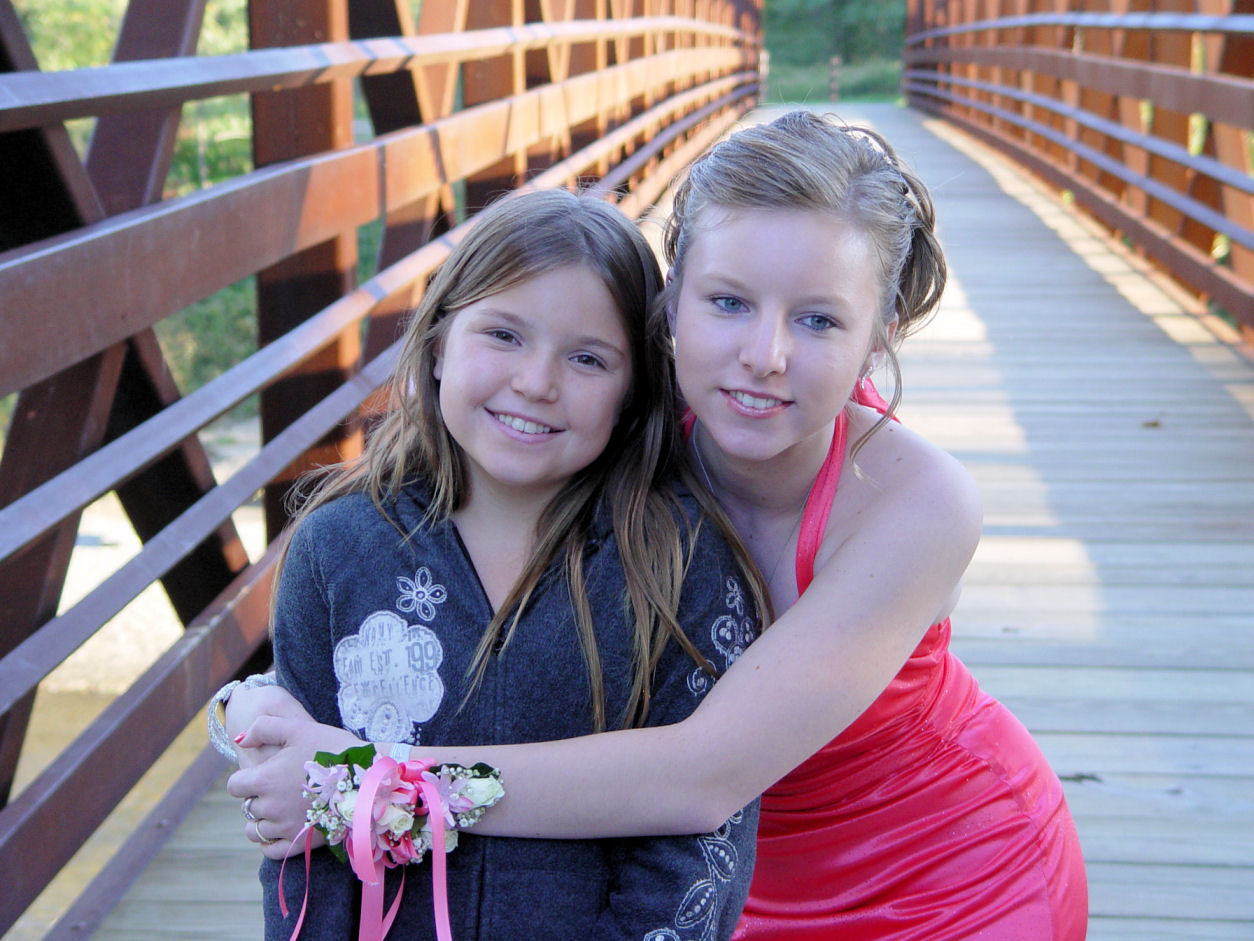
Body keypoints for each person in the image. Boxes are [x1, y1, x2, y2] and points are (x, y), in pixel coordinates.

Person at [226, 110, 1089, 939]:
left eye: (819, 319)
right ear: (671, 303)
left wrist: (370, 784)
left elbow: (704, 775)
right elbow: (436, 522)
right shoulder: (609, 404)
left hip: (948, 878)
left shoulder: (921, 502)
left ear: (879, 336)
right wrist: (265, 700)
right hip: (717, 888)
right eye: (728, 302)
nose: (764, 356)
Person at [213, 186, 768, 941]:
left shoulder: (677, 564)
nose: (536, 382)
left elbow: (698, 847)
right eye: (503, 335)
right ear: (439, 342)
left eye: (587, 358)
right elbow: (301, 830)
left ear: (635, 389)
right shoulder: (337, 550)